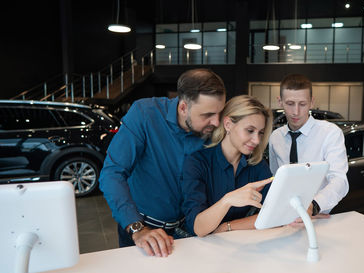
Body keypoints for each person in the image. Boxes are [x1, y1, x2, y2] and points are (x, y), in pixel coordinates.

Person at [99, 68, 226, 257]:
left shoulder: (212, 128)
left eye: (220, 113)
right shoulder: (144, 114)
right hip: (141, 229)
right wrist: (137, 229)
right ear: (183, 108)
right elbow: (112, 173)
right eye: (207, 114)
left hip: (188, 230)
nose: (216, 122)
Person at [181, 95, 274, 237]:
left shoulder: (257, 164)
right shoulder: (197, 162)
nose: (256, 140)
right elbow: (198, 227)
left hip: (240, 243)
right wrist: (228, 200)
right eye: (250, 130)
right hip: (201, 248)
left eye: (260, 133)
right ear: (228, 124)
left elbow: (273, 215)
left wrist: (227, 227)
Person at [268, 74, 349, 219]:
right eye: (290, 103)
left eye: (302, 104)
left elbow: (339, 181)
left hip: (319, 216)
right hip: (285, 217)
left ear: (312, 102)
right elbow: (276, 179)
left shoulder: (330, 133)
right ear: (280, 102)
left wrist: (314, 206)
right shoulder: (275, 137)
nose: (296, 112)